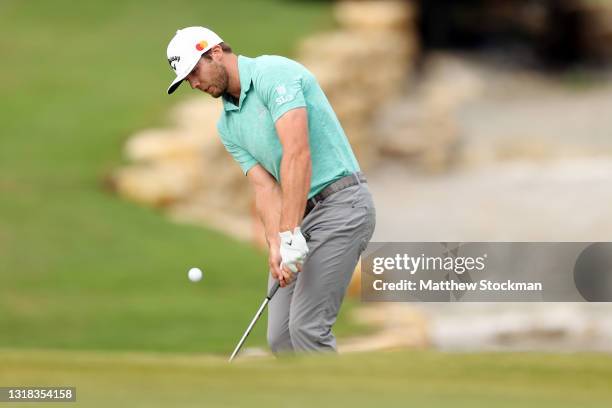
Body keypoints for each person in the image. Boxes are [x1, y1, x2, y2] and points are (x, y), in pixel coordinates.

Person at [165, 26, 376, 353]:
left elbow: (297, 153)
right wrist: (276, 243)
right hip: (300, 217)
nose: (194, 83)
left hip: (341, 206)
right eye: (186, 79)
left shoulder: (272, 73)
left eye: (195, 70)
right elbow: (264, 188)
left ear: (216, 52)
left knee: (308, 328)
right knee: (281, 338)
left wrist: (290, 232)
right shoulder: (227, 125)